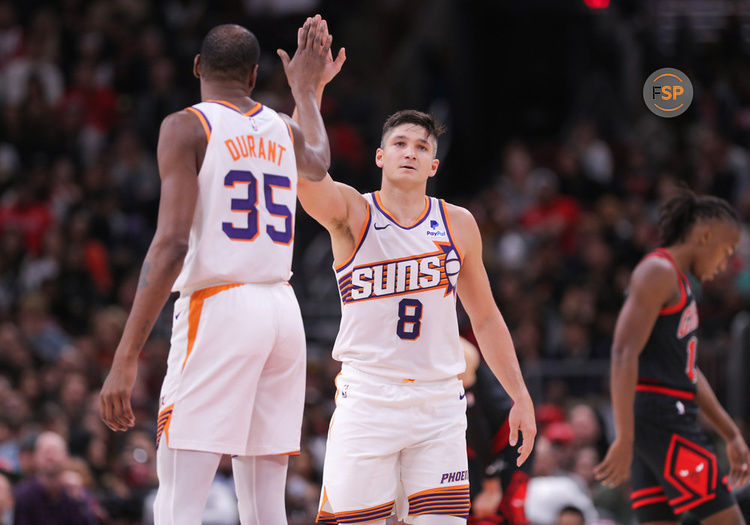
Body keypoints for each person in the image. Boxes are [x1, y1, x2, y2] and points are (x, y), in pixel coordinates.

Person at [98, 15, 333, 524]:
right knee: (266, 506)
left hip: (220, 306)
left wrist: (126, 353)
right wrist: (307, 91)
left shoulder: (186, 125)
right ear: (253, 76)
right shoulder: (284, 127)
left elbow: (172, 244)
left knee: (180, 501)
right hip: (282, 310)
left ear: (198, 66)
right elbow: (319, 161)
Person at [294, 46, 536, 524]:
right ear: (381, 156)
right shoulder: (353, 212)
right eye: (401, 143)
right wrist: (309, 92)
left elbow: (485, 317)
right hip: (369, 399)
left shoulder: (458, 223)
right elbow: (306, 174)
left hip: (440, 405)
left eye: (422, 147)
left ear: (434, 166)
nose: (411, 152)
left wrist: (520, 394)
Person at [594, 190, 750, 524]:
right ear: (705, 237)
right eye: (725, 253)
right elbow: (623, 353)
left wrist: (731, 433)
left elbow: (689, 370)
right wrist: (623, 435)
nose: (724, 265)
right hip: (662, 419)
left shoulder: (680, 283)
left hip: (660, 421)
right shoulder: (657, 271)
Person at [460, 337, 533, 525]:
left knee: (509, 511)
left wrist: (490, 480)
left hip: (506, 435)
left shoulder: (459, 351)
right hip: (470, 441)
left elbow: (474, 420)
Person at [13, 431, 96, 525]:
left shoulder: (75, 491)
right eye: (45, 452)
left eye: (55, 451)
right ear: (36, 457)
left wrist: (79, 500)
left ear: (66, 456)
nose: (50, 457)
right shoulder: (23, 494)